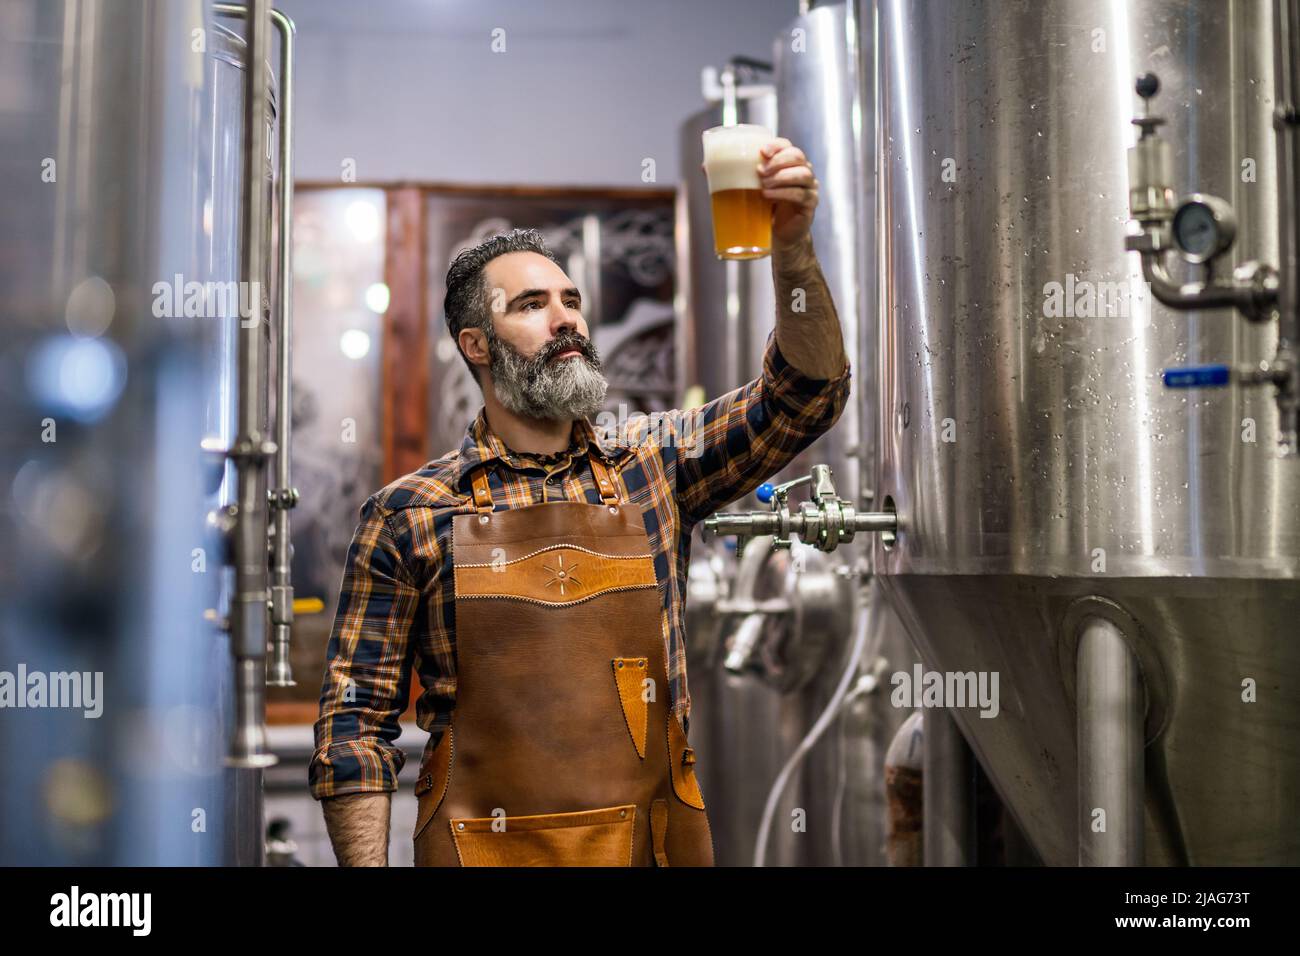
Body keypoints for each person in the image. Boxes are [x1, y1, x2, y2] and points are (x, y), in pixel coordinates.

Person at [309, 137, 851, 866]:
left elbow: (803, 396)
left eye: (572, 301)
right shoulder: (409, 515)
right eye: (532, 305)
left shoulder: (654, 464)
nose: (566, 318)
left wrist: (791, 251)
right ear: (477, 345)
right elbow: (355, 733)